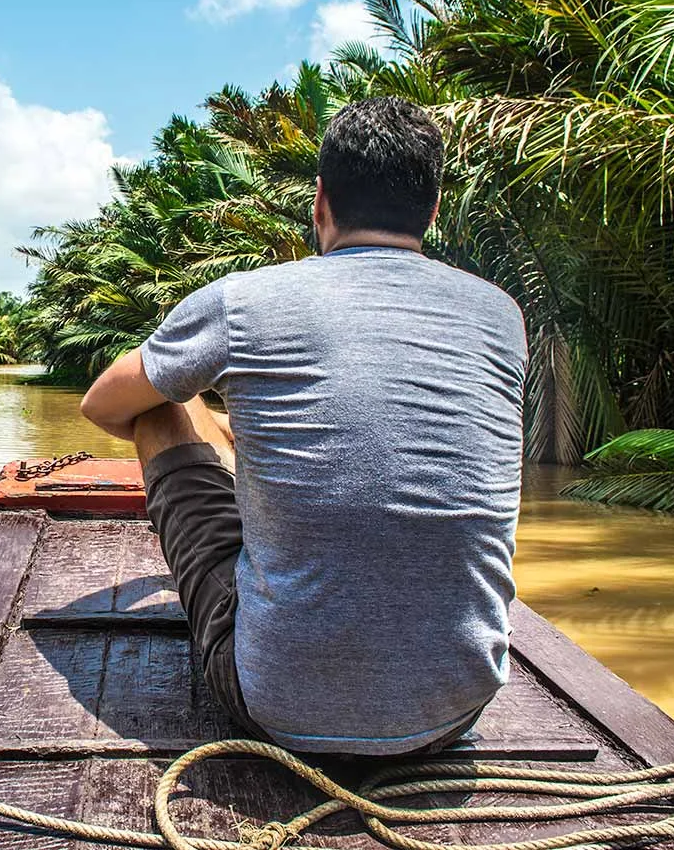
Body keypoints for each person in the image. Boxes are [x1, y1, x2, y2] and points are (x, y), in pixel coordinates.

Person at [79, 96, 526, 755]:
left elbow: (102, 404)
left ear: (320, 202)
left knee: (160, 405)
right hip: (455, 708)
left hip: (276, 707)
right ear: (433, 209)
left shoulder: (244, 301)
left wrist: (209, 422)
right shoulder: (501, 316)